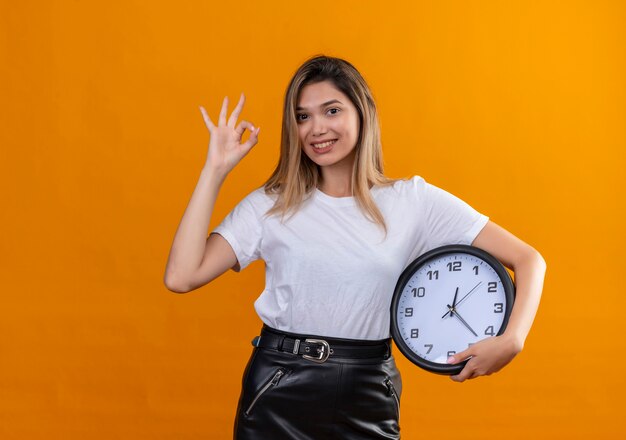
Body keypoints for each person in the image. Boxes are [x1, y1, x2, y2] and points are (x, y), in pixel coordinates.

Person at [164, 55, 546, 439]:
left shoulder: (412, 201)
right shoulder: (271, 203)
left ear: (362, 114)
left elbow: (528, 260)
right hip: (279, 387)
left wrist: (512, 340)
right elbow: (181, 276)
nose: (317, 128)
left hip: (368, 392)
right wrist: (214, 169)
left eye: (331, 110)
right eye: (302, 117)